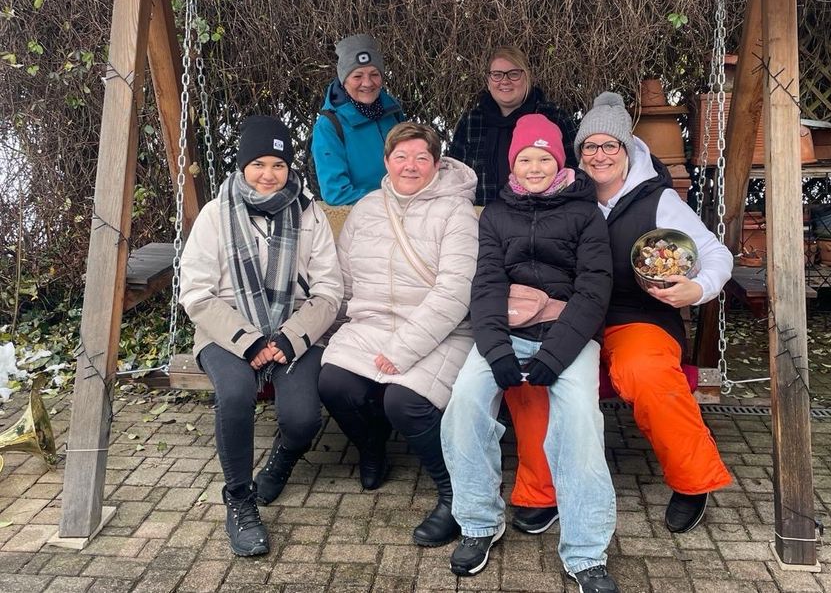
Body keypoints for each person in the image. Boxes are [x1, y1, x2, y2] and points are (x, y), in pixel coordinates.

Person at [507, 92, 733, 539]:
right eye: (590, 147)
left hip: (637, 316)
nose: (600, 154)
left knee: (644, 371)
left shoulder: (658, 202)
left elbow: (715, 253)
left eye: (610, 145)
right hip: (568, 315)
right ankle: (540, 491)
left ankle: (692, 480)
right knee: (532, 376)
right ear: (578, 155)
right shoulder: (562, 197)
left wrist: (697, 288)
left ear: (627, 149)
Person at [441, 114, 619, 593]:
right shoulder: (497, 214)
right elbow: (486, 284)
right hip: (509, 331)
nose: (535, 166)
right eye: (525, 158)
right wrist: (496, 350)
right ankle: (479, 523)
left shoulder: (586, 214)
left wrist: (556, 355)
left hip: (566, 334)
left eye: (544, 157)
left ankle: (586, 554)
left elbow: (594, 289)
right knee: (464, 404)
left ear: (559, 161)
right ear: (513, 163)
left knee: (581, 417)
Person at [179, 116, 343, 557]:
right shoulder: (217, 213)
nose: (268, 174)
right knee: (234, 396)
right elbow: (195, 293)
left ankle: (282, 459)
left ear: (291, 168)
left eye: (278, 164)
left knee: (303, 420)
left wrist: (289, 338)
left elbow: (329, 290)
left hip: (295, 330)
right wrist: (249, 341)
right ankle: (239, 500)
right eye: (258, 164)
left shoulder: (310, 214)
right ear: (242, 166)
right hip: (226, 330)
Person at [319, 122, 479, 547]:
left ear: (436, 163)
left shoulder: (457, 212)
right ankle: (372, 449)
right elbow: (345, 279)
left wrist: (403, 349)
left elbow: (455, 291)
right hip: (371, 324)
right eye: (401, 157)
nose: (411, 166)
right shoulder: (368, 208)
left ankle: (454, 493)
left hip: (441, 330)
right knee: (333, 382)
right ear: (387, 162)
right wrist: (330, 329)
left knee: (404, 401)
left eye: (421, 158)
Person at [448, 46, 578, 205]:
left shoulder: (553, 117)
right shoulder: (471, 122)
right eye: (497, 75)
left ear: (527, 77)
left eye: (513, 74)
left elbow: (573, 173)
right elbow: (455, 178)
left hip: (540, 218)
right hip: (479, 218)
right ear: (488, 81)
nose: (504, 81)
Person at [312, 33, 405, 205]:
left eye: (374, 74)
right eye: (357, 76)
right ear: (343, 80)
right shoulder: (329, 126)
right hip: (364, 218)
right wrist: (388, 203)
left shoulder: (393, 112)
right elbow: (336, 193)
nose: (367, 83)